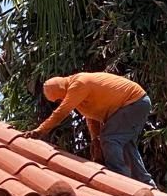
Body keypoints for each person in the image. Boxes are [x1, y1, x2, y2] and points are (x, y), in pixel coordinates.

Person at [24, 72, 156, 187]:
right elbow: (92, 118)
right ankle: (146, 182)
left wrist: (40, 131)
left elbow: (61, 112)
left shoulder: (78, 84)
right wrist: (95, 141)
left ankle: (120, 178)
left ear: (60, 89)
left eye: (59, 98)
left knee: (110, 137)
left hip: (134, 102)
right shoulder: (79, 95)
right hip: (137, 103)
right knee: (126, 145)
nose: (60, 101)